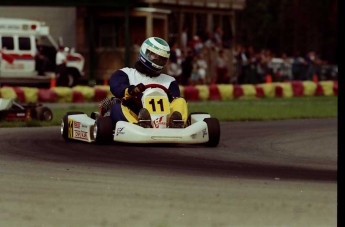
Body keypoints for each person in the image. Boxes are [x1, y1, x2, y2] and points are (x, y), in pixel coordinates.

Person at [105, 37, 188, 128]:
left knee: (180, 101)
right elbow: (116, 87)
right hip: (134, 114)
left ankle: (176, 123)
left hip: (164, 119)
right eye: (154, 56)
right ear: (145, 52)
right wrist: (131, 90)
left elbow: (174, 102)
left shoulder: (170, 81)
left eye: (162, 59)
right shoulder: (125, 74)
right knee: (116, 106)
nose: (158, 60)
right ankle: (138, 125)